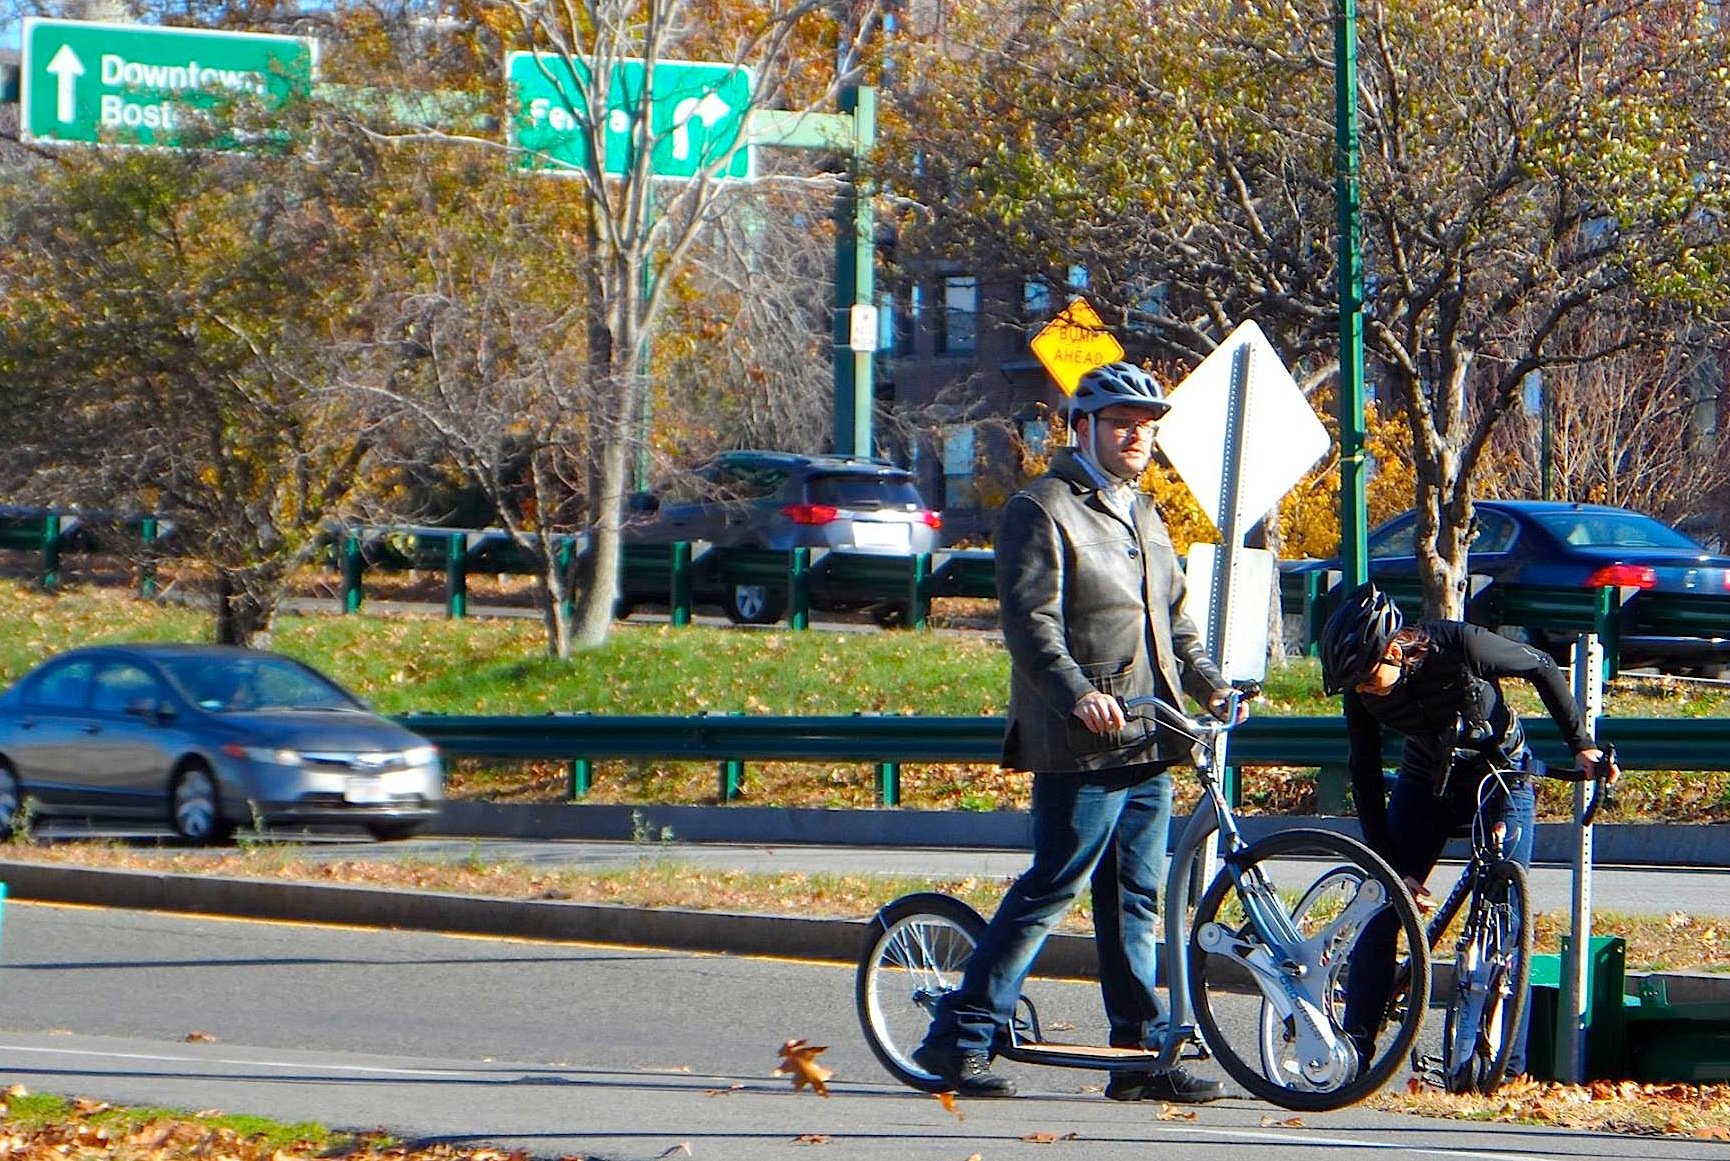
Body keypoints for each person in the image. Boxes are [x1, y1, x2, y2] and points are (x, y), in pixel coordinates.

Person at [912, 361, 1240, 1102]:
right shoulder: (1043, 508)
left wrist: (1210, 681)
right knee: (1053, 884)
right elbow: (1032, 630)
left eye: (1146, 424)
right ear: (1082, 427)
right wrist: (1079, 696)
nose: (1137, 435)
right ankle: (958, 1035)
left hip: (1152, 737)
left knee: (1135, 897)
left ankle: (1139, 1056)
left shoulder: (1146, 514)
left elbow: (1175, 622)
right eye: (1122, 422)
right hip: (1081, 739)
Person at [1318, 581, 1619, 1081]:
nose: (1366, 691)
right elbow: (1366, 775)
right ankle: (1355, 1052)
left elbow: (1542, 666)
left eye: (1370, 679)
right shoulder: (1359, 690)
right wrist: (1393, 867)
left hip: (1503, 774)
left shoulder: (1459, 644)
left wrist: (1580, 745)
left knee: (1506, 908)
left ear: (1395, 649)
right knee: (1384, 902)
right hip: (1426, 782)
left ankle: (1509, 1068)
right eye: (1357, 686)